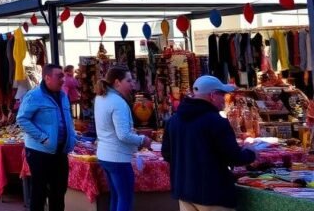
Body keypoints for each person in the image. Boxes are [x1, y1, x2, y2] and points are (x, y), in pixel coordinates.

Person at [162, 75, 256, 211]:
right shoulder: (216, 121)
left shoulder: (174, 120)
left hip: (184, 193)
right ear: (212, 96)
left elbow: (167, 154)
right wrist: (250, 153)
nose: (224, 100)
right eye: (222, 95)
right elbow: (233, 157)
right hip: (213, 194)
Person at [17, 64, 76, 211]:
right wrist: (43, 138)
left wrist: (72, 137)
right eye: (59, 76)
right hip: (40, 152)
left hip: (60, 151)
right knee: (40, 192)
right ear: (47, 78)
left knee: (59, 191)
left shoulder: (63, 95)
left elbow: (67, 119)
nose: (63, 79)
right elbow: (22, 119)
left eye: (63, 75)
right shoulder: (34, 95)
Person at [94, 65, 151, 211]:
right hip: (117, 157)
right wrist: (142, 140)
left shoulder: (101, 98)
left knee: (116, 196)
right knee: (124, 198)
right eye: (129, 80)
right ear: (117, 82)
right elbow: (123, 135)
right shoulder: (118, 102)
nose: (132, 84)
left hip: (105, 154)